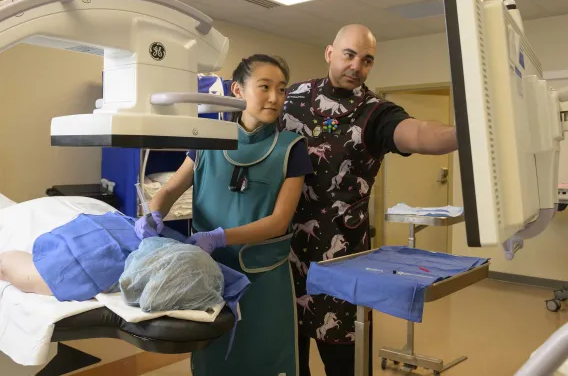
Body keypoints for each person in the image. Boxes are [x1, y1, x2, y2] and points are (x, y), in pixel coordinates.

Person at [279, 24, 458, 376]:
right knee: (289, 358)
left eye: (367, 60)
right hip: (283, 253)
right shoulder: (291, 98)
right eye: (349, 54)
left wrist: (464, 134)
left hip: (344, 257)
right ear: (330, 53)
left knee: (344, 361)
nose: (356, 66)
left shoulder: (375, 112)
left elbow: (418, 133)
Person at [135, 54, 314, 376]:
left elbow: (279, 221)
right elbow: (169, 190)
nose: (275, 98)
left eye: (282, 89)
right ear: (238, 90)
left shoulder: (291, 148)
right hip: (208, 274)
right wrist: (152, 214)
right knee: (214, 359)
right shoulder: (208, 141)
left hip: (264, 276)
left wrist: (219, 237)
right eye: (264, 87)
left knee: (265, 357)